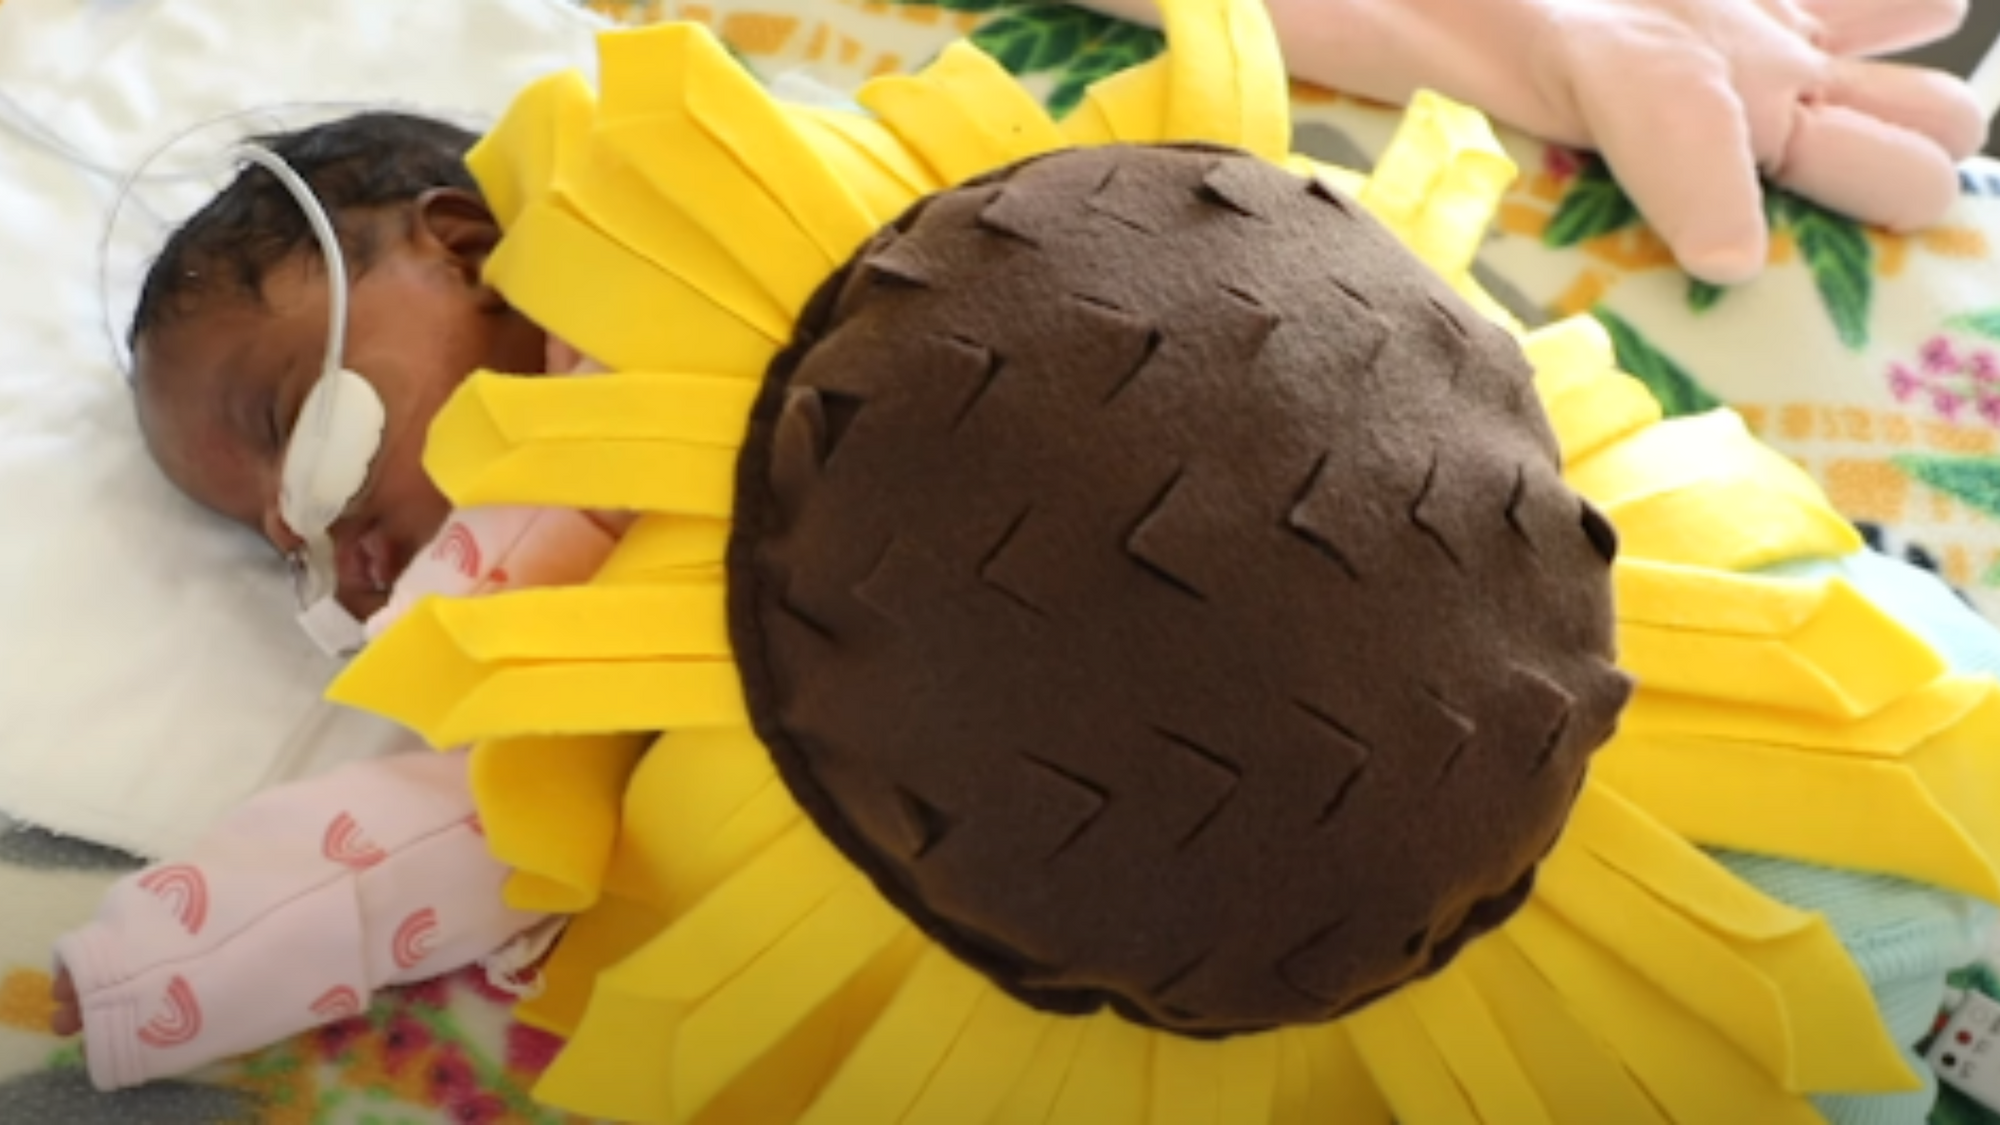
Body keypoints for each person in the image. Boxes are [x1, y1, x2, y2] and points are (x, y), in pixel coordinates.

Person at [46, 0, 1995, 1112]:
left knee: (1857, 675)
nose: (324, 531)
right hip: (1418, 893)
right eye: (277, 544)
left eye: (295, 419)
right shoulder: (528, 623)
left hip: (1600, 620)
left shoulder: (752, 226)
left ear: (465, 242)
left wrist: (139, 982)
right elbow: (429, 841)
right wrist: (138, 980)